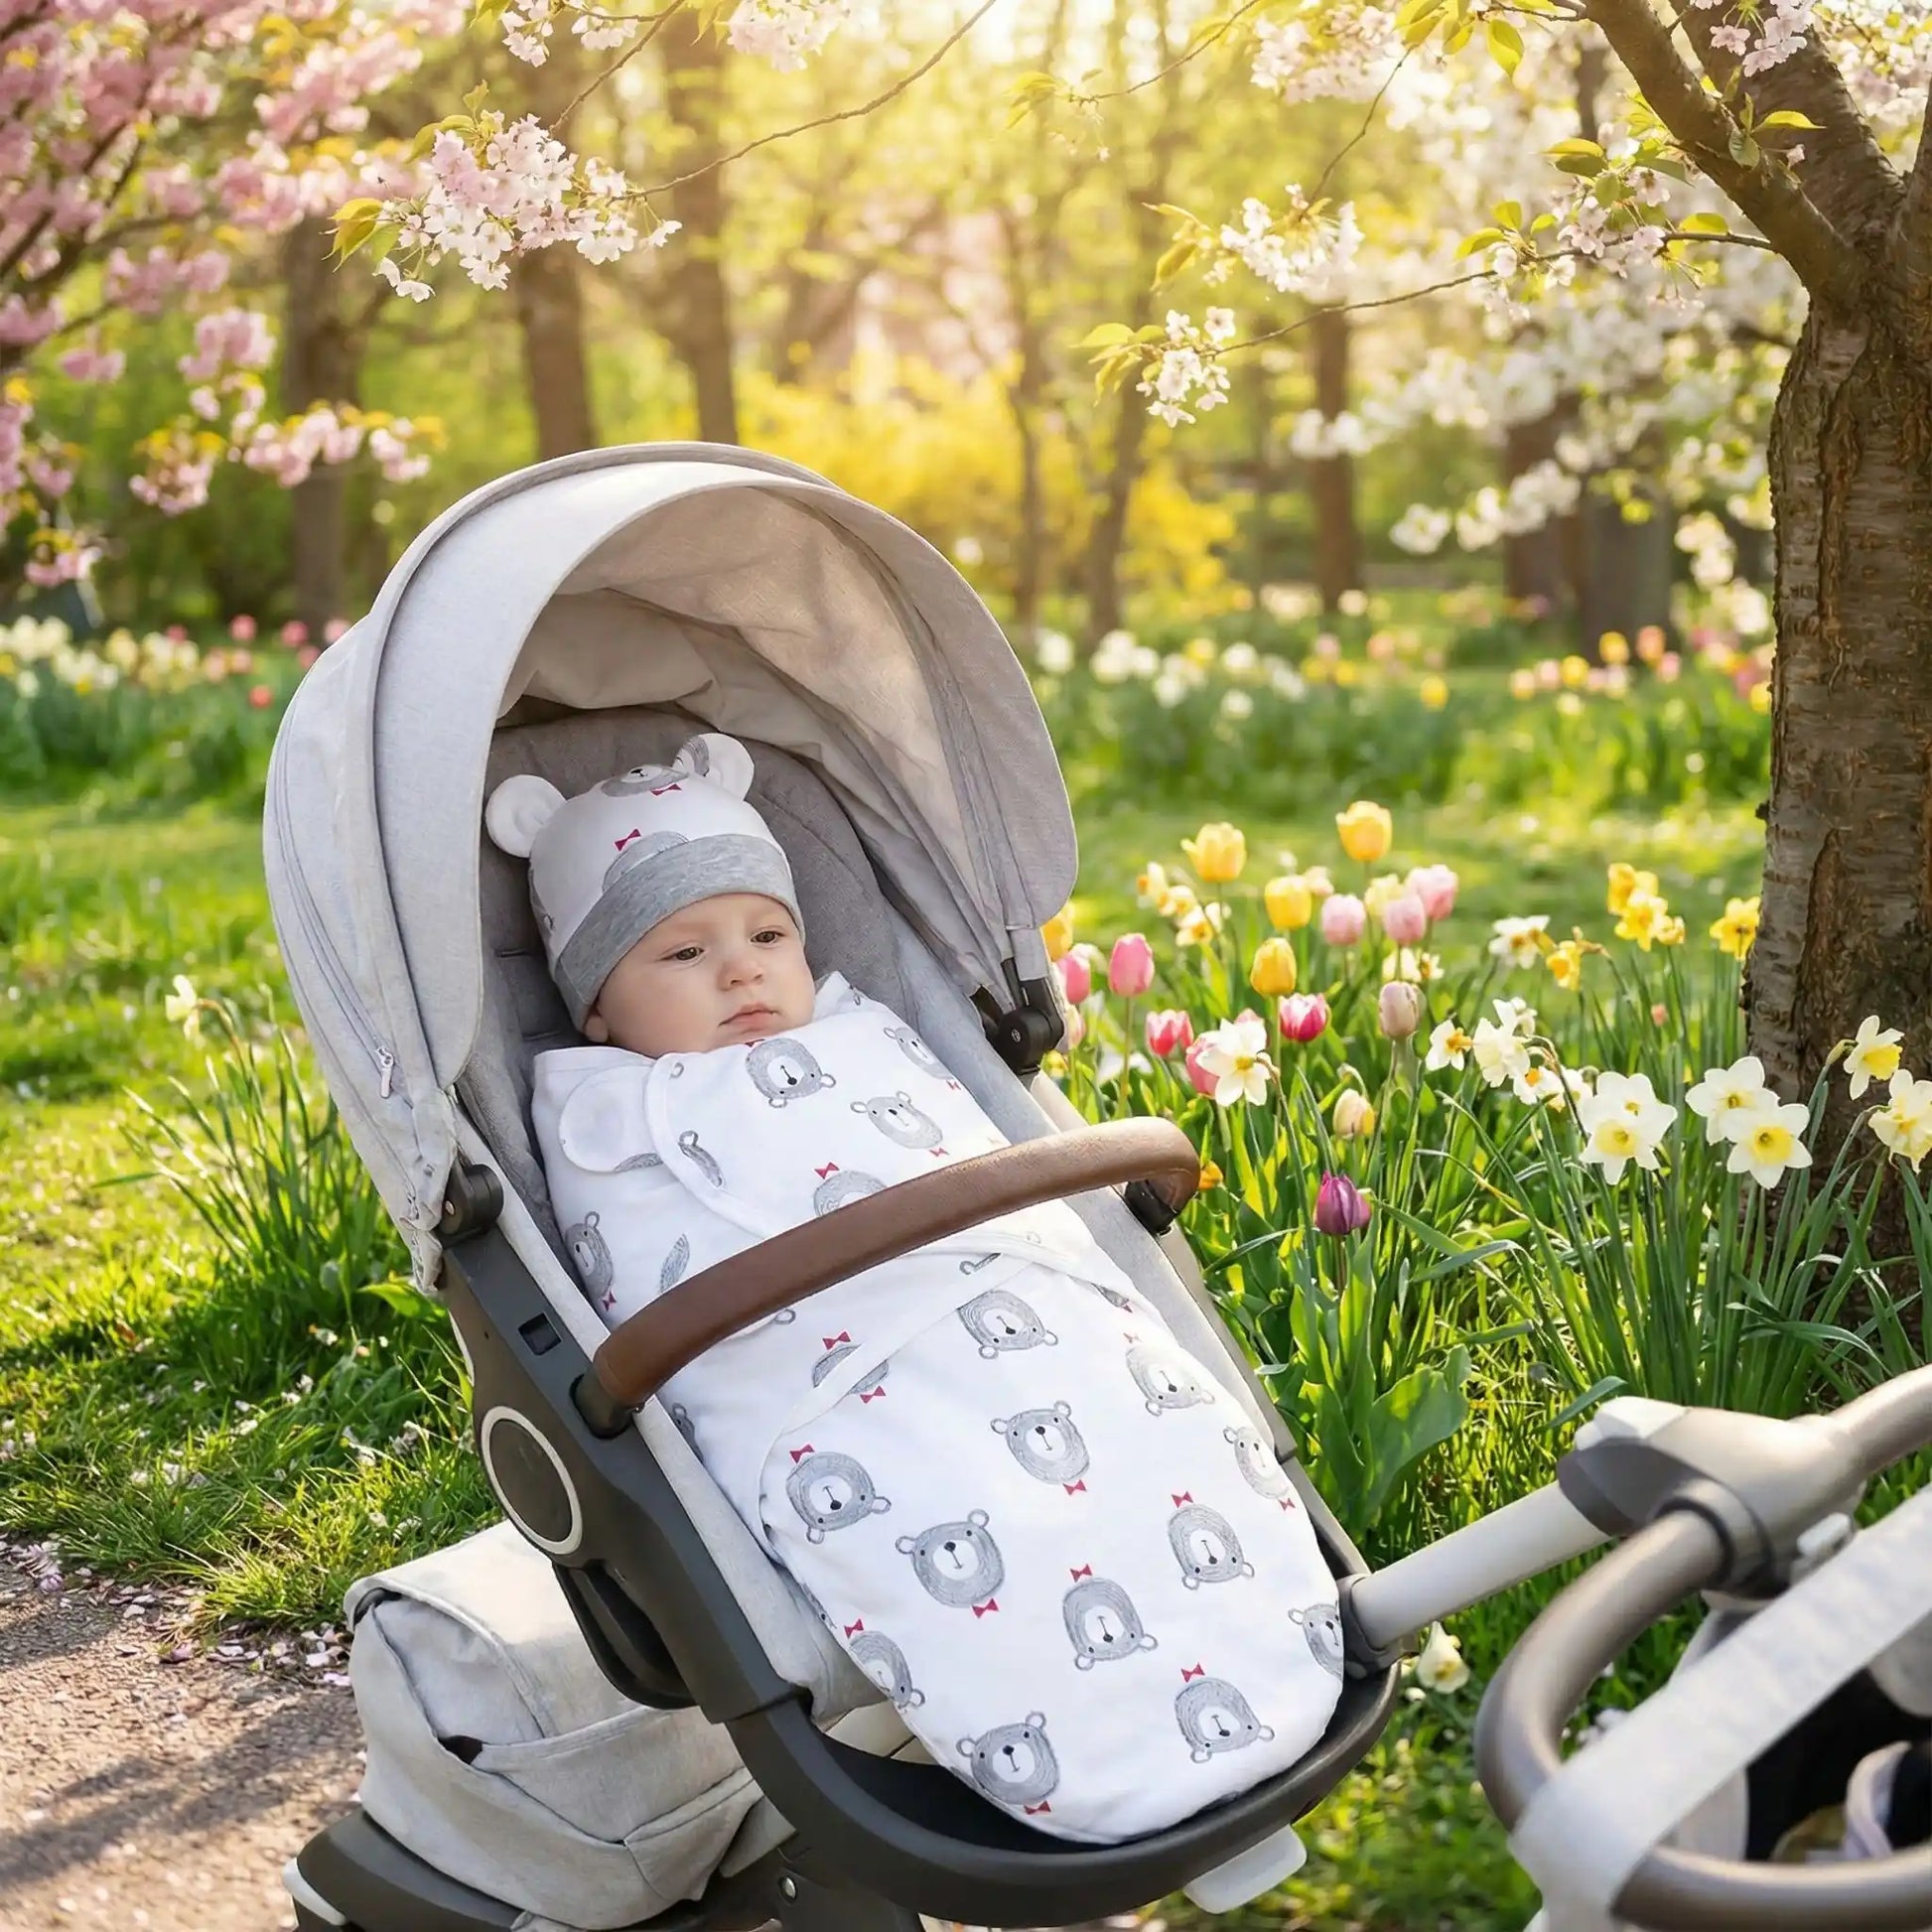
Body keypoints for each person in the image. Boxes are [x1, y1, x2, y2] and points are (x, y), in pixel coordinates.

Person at [487, 732, 1343, 1844]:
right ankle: (1077, 1726)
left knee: (1139, 1450)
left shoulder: (864, 1043)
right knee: (975, 1527)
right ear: (594, 1007)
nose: (742, 968)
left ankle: (1236, 1639)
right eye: (681, 953)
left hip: (1021, 1313)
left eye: (765, 933)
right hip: (828, 1392)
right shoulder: (607, 1120)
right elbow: (653, 1278)